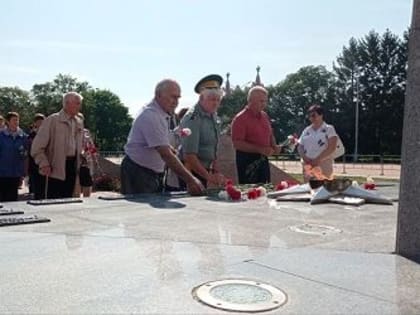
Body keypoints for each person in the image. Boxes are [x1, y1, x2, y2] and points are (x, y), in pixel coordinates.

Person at [121, 79, 204, 195]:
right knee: (141, 212)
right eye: (173, 97)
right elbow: (165, 154)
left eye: (178, 98)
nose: (176, 102)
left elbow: (160, 144)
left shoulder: (160, 113)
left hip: (147, 172)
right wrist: (191, 180)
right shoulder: (151, 115)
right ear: (158, 95)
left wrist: (170, 148)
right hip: (139, 172)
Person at [31, 92, 84, 199]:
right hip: (54, 169)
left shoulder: (79, 121)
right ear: (67, 104)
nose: (80, 106)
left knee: (69, 201)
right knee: (53, 201)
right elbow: (36, 147)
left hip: (72, 167)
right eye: (78, 103)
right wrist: (43, 163)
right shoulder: (52, 120)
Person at [179, 74, 226, 187]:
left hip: (203, 171)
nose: (215, 103)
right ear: (201, 98)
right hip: (188, 172)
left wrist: (216, 172)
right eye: (212, 99)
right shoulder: (192, 118)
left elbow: (214, 148)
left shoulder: (213, 116)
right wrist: (209, 177)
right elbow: (189, 156)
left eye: (218, 100)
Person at [231, 86, 281, 184]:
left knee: (265, 188)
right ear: (250, 100)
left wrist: (274, 146)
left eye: (265, 101)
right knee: (251, 192)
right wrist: (260, 149)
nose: (264, 104)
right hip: (247, 160)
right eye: (261, 101)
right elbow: (237, 143)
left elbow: (270, 133)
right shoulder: (240, 118)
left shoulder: (264, 116)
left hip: (263, 159)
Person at [297, 104, 338, 181]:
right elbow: (300, 146)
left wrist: (318, 159)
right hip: (308, 165)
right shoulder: (306, 130)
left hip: (323, 164)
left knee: (324, 189)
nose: (311, 118)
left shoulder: (329, 129)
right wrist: (305, 158)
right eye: (309, 116)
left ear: (321, 115)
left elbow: (332, 147)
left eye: (313, 115)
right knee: (308, 187)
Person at [0, 112, 29, 201]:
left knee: (12, 198)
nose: (16, 122)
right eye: (14, 120)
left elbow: (25, 156)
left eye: (17, 120)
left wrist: (24, 172)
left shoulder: (23, 137)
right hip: (2, 172)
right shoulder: (1, 136)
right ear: (8, 122)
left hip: (16, 173)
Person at [28, 113, 45, 196]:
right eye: (38, 121)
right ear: (34, 123)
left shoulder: (47, 134)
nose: (40, 123)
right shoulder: (31, 135)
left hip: (45, 165)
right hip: (34, 166)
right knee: (37, 189)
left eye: (42, 121)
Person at [80, 127, 97, 197]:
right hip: (79, 161)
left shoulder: (86, 132)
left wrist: (94, 159)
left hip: (86, 162)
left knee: (87, 182)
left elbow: (91, 147)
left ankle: (87, 199)